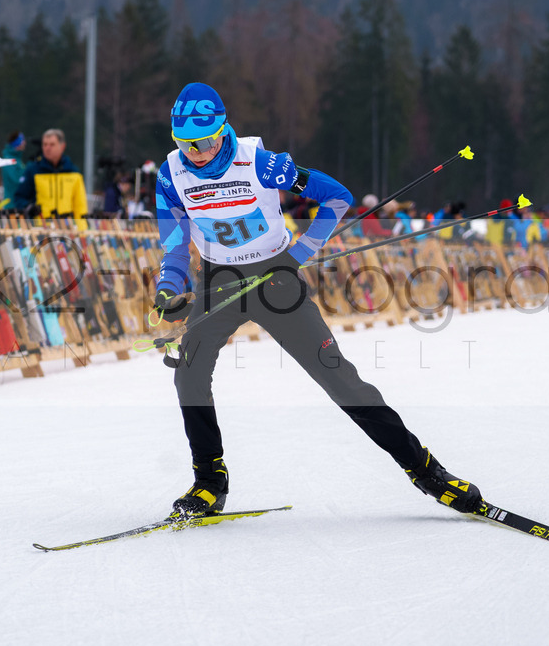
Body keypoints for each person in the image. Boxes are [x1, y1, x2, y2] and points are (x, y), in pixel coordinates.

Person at [151, 82, 482, 519]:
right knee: (188, 376)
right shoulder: (171, 174)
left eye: (206, 140)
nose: (196, 152)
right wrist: (169, 288)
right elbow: (175, 244)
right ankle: (209, 482)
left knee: (339, 379)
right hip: (219, 282)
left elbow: (337, 196)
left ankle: (426, 471)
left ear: (223, 129)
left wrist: (299, 253)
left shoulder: (262, 164)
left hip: (276, 280)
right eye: (185, 143)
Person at [12, 129, 89, 229]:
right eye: (45, 144)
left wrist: (82, 231)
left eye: (52, 144)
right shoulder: (33, 170)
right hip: (40, 229)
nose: (47, 148)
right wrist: (29, 207)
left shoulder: (74, 172)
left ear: (62, 146)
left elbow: (80, 206)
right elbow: (19, 197)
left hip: (68, 229)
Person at [0, 130, 27, 206]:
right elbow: (16, 181)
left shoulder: (17, 160)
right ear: (18, 143)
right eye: (23, 140)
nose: (25, 143)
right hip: (12, 205)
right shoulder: (9, 161)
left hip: (18, 203)